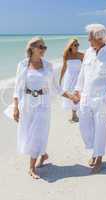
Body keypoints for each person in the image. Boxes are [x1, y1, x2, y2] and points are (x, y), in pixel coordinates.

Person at [65, 24, 106, 173]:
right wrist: (77, 91)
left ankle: (98, 158)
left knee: (101, 129)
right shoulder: (89, 53)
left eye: (90, 37)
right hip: (86, 97)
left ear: (99, 38)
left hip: (102, 99)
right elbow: (83, 74)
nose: (88, 40)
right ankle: (94, 150)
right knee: (84, 126)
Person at [11, 37, 61, 179]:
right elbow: (17, 87)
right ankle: (43, 154)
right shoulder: (22, 65)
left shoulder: (48, 65)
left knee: (37, 133)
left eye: (45, 47)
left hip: (43, 104)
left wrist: (71, 96)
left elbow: (55, 87)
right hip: (26, 104)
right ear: (32, 48)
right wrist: (16, 107)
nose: (44, 49)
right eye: (41, 47)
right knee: (27, 133)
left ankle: (31, 168)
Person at [59, 38, 84, 122]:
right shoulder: (66, 55)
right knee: (70, 95)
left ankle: (75, 114)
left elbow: (85, 68)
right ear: (71, 46)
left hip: (78, 78)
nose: (77, 46)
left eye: (78, 45)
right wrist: (60, 79)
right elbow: (64, 67)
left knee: (78, 95)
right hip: (69, 78)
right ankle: (74, 115)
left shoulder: (81, 55)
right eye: (75, 45)